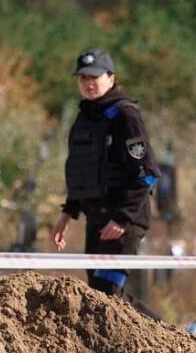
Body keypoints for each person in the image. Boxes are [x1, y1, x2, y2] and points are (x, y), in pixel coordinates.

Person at [52, 49, 161, 302]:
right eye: (83, 78)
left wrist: (122, 220)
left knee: (106, 296)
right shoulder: (86, 117)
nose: (89, 83)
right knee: (101, 298)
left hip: (124, 221)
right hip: (97, 219)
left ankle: (178, 340)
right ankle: (172, 338)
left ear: (111, 78)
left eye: (95, 77)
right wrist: (67, 214)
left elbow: (148, 174)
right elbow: (81, 171)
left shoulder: (125, 115)